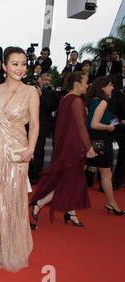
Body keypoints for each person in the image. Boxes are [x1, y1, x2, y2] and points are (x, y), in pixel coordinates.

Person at [0, 47, 40, 271]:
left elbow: (35, 124)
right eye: (15, 63)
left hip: (17, 150)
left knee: (8, 198)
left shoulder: (30, 92)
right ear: (5, 66)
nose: (20, 68)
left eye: (23, 63)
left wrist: (31, 150)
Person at [30, 72, 96, 227]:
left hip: (64, 146)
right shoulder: (76, 101)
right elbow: (80, 127)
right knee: (69, 180)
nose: (88, 85)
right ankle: (40, 202)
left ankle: (71, 212)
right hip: (73, 148)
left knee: (73, 179)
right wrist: (88, 147)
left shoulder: (65, 99)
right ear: (77, 84)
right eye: (86, 82)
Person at [85, 76, 124, 215]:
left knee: (79, 170)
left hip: (91, 140)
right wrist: (109, 127)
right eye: (110, 85)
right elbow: (94, 124)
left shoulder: (92, 101)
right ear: (102, 87)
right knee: (106, 173)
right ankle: (111, 203)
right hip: (101, 141)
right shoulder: (102, 102)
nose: (112, 87)